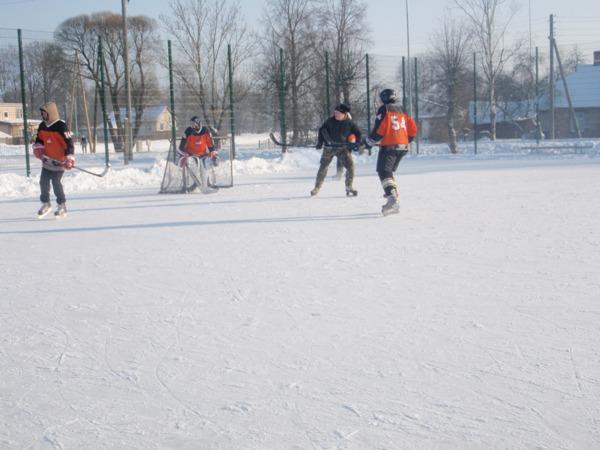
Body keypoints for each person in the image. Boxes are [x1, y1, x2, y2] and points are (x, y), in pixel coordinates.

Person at [364, 88, 417, 215]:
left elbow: (380, 128)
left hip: (390, 147)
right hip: (402, 147)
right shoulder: (402, 109)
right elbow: (413, 129)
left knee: (384, 171)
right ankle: (394, 197)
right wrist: (404, 139)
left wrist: (369, 142)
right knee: (388, 172)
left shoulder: (385, 109)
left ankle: (392, 199)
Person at [33, 101, 75, 218]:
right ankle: (46, 203)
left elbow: (69, 143)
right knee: (43, 182)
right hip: (47, 161)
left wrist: (69, 158)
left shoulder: (61, 126)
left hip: (60, 161)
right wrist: (38, 148)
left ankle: (62, 205)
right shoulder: (42, 126)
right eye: (41, 114)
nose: (42, 116)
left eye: (44, 113)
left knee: (56, 182)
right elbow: (39, 139)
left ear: (50, 113)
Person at [311, 103, 362, 197]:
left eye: (338, 113)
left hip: (342, 149)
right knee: (323, 167)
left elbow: (358, 133)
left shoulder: (349, 123)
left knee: (351, 167)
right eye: (335, 112)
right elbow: (322, 130)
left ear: (344, 114)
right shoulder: (329, 121)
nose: (336, 114)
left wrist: (356, 144)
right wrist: (320, 142)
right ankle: (316, 188)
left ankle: (349, 186)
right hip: (328, 149)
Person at [178, 116, 218, 191]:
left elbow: (210, 144)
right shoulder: (188, 131)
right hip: (191, 155)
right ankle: (194, 184)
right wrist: (184, 154)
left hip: (203, 154)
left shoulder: (205, 130)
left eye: (194, 124)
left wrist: (213, 153)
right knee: (192, 165)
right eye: (191, 124)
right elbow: (181, 146)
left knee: (205, 165)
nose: (192, 126)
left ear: (198, 123)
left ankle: (208, 183)